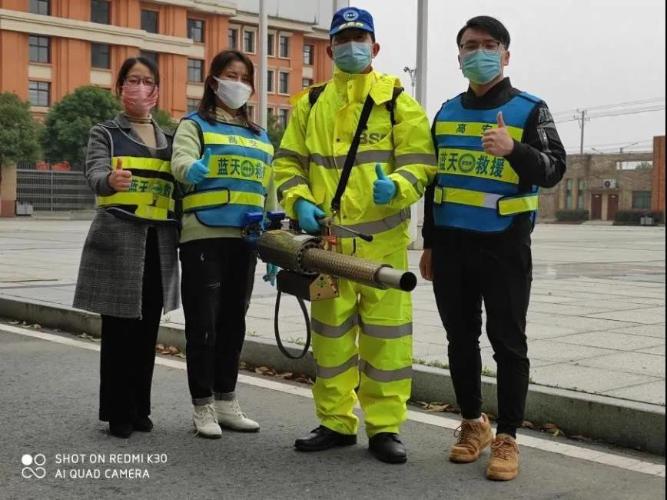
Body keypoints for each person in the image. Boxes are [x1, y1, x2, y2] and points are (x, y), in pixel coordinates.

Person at [274, 7, 436, 464]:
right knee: (331, 338)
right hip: (327, 247)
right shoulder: (308, 104)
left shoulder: (398, 99)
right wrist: (299, 201)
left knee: (386, 340)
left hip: (382, 247)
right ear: (329, 49)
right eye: (343, 39)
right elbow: (287, 164)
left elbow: (421, 162)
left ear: (375, 47)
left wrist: (399, 187)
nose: (351, 45)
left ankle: (385, 428)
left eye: (359, 37)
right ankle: (336, 422)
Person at [420, 16, 567, 480]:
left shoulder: (529, 109)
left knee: (508, 343)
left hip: (504, 247)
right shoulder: (445, 111)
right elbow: (434, 182)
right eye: (469, 46)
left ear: (505, 54)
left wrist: (513, 150)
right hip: (451, 248)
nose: (477, 53)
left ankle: (507, 437)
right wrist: (429, 243)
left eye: (488, 45)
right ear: (459, 55)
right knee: (459, 339)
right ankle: (472, 424)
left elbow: (553, 169)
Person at [171, 50, 276, 439]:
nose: (239, 83)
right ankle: (203, 406)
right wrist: (190, 169)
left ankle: (227, 400)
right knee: (204, 326)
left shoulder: (260, 135)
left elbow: (269, 191)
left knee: (234, 322)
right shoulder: (194, 126)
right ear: (213, 81)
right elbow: (179, 163)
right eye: (230, 75)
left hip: (245, 241)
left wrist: (272, 245)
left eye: (244, 77)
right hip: (204, 235)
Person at [74, 56, 180, 439]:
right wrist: (109, 179)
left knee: (147, 328)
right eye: (132, 80)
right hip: (118, 240)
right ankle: (117, 411)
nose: (140, 87)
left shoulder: (169, 137)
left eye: (147, 81)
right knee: (119, 329)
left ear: (156, 89)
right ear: (120, 87)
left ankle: (140, 407)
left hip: (158, 242)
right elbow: (94, 173)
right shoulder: (105, 131)